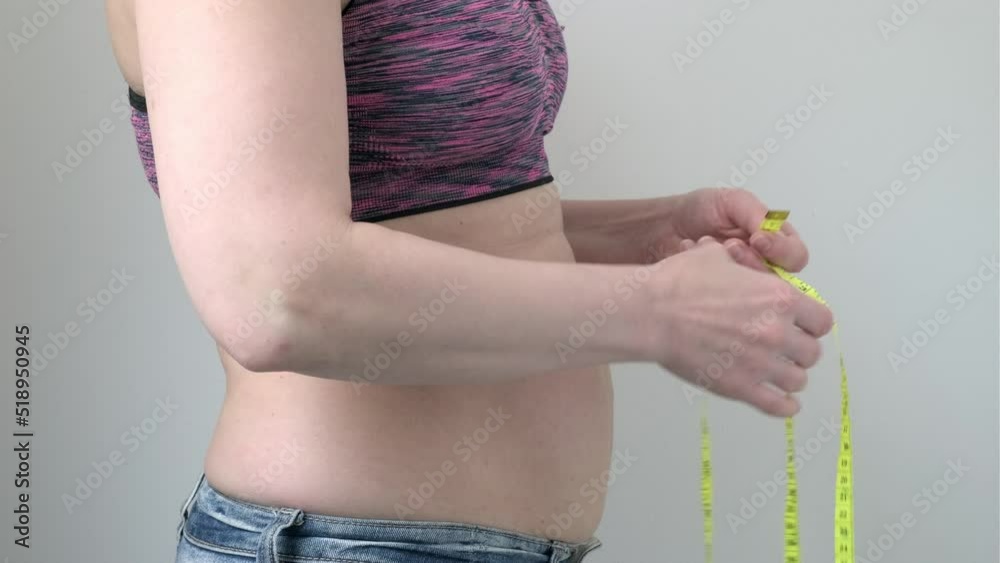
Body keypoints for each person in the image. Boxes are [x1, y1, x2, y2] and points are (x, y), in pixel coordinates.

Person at [104, 0, 834, 561]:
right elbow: (276, 292)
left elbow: (421, 213)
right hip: (348, 540)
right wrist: (659, 311)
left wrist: (644, 236)